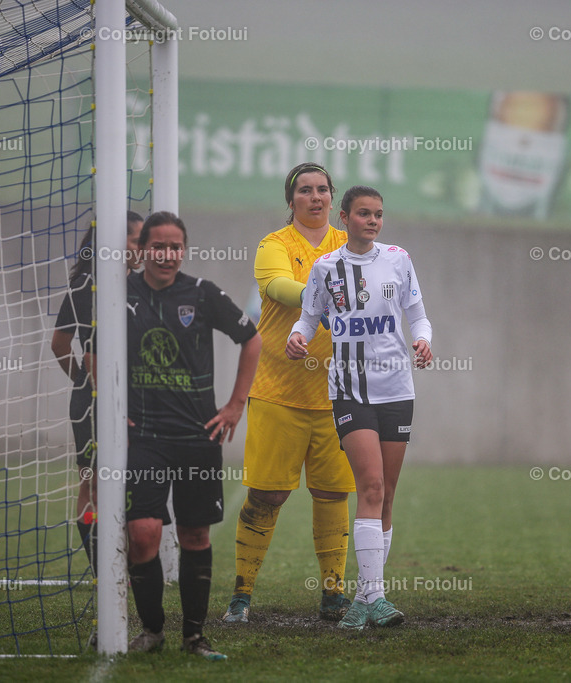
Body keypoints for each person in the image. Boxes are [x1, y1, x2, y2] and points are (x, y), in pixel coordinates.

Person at [90, 211, 261, 659]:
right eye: (158, 245)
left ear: (183, 250)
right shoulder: (119, 294)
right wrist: (110, 409)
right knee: (142, 532)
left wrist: (235, 405)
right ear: (142, 249)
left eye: (175, 246)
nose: (166, 254)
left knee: (195, 536)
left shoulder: (201, 294)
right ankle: (152, 630)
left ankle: (194, 636)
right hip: (143, 437)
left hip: (198, 437)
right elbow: (91, 352)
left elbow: (252, 338)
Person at [286, 185, 433, 630]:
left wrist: (424, 340)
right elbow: (308, 317)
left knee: (385, 495)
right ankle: (376, 598)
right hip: (350, 391)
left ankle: (367, 597)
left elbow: (418, 314)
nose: (373, 221)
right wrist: (299, 337)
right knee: (369, 486)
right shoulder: (326, 267)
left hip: (397, 391)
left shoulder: (398, 259)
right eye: (364, 214)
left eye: (379, 215)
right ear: (344, 217)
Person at [223, 162, 356, 624]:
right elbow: (277, 288)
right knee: (266, 495)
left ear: (333, 198)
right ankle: (241, 595)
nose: (315, 197)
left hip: (339, 395)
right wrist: (334, 296)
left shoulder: (352, 244)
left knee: (333, 493)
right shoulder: (273, 245)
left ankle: (334, 595)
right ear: (292, 199)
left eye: (322, 189)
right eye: (305, 190)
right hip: (278, 390)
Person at [51, 211, 143, 579]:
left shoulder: (142, 285)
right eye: (139, 240)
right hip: (97, 403)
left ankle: (126, 558)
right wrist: (85, 384)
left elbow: (60, 345)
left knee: (128, 480)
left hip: (134, 399)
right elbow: (64, 344)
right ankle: (102, 564)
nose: (145, 248)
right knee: (94, 482)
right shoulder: (89, 286)